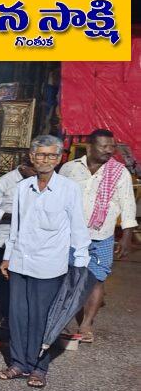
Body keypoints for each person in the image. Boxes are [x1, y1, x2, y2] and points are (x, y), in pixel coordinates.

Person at [0, 135, 90, 389]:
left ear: (59, 159)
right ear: (32, 157)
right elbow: (16, 227)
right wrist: (8, 257)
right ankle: (18, 364)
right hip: (20, 262)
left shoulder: (69, 189)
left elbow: (78, 228)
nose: (45, 160)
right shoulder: (23, 188)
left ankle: (39, 368)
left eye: (51, 155)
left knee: (42, 319)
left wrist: (80, 264)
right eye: (40, 154)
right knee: (18, 316)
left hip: (49, 266)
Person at [59, 129, 136, 343]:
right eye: (104, 146)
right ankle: (61, 319)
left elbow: (128, 206)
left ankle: (86, 325)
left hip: (102, 236)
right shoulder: (69, 169)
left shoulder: (120, 173)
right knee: (66, 278)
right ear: (89, 147)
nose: (109, 150)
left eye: (112, 146)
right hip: (70, 235)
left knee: (97, 279)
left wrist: (126, 237)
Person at [0, 157, 35, 328]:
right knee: (4, 280)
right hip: (5, 238)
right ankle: (6, 316)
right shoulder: (4, 182)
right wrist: (15, 217)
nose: (37, 172)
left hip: (30, 239)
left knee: (26, 279)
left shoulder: (38, 182)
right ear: (23, 166)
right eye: (33, 169)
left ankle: (24, 315)